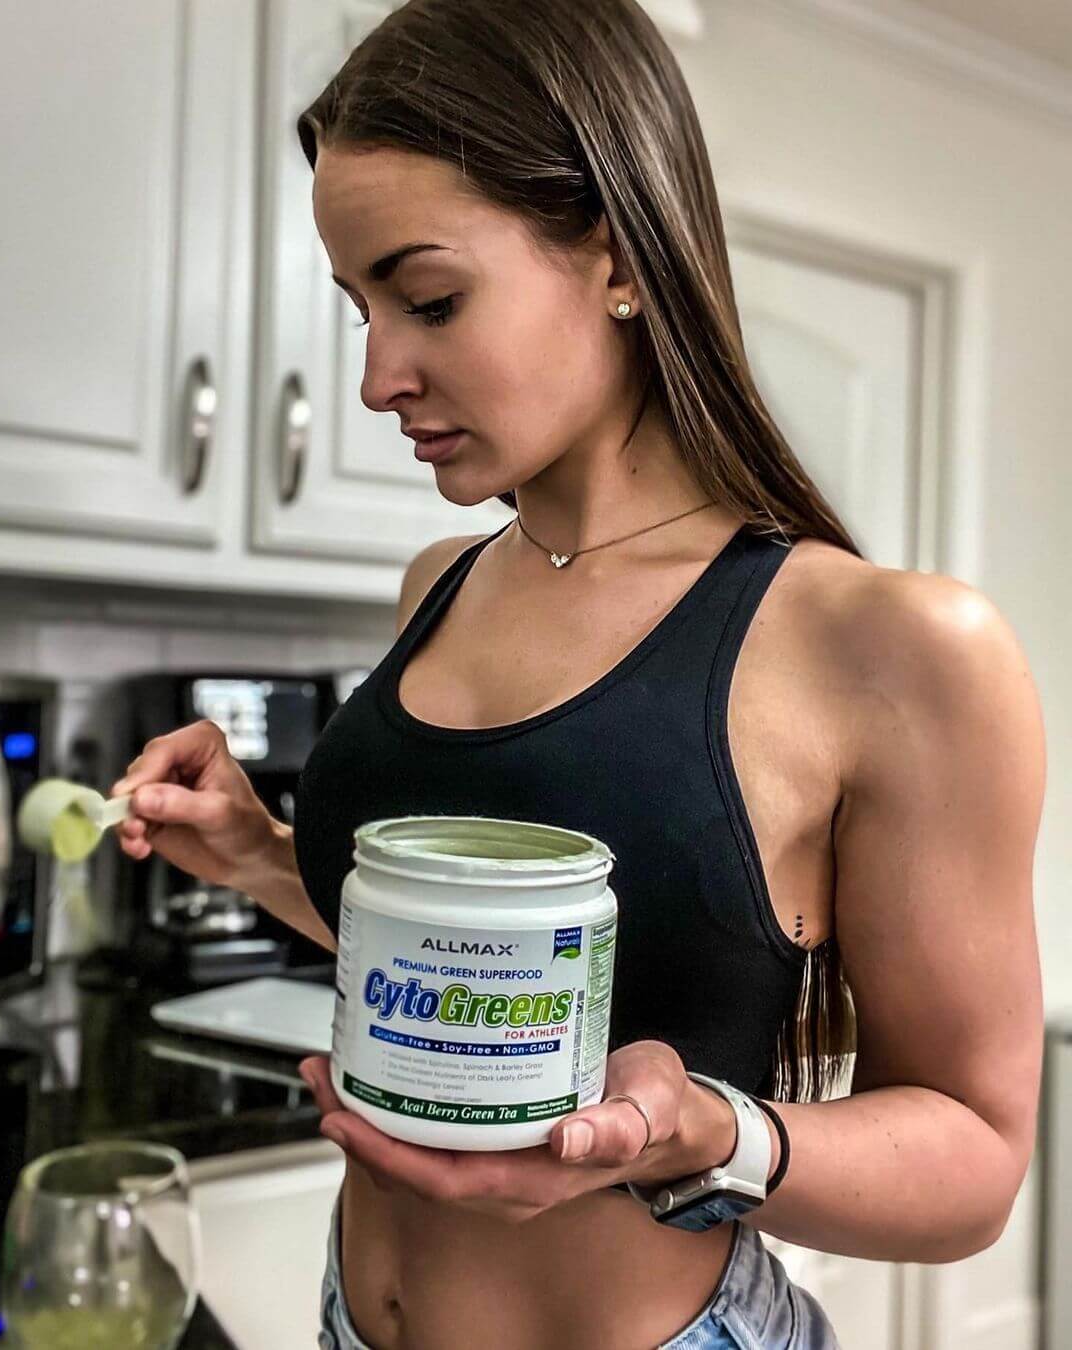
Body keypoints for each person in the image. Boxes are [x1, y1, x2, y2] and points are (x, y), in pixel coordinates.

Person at [111, 0, 1046, 1346]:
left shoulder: (889, 646)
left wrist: (708, 1134)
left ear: (614, 257)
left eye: (429, 299)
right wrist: (259, 855)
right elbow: (492, 974)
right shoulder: (440, 587)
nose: (377, 376)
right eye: (361, 306)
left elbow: (976, 1159)